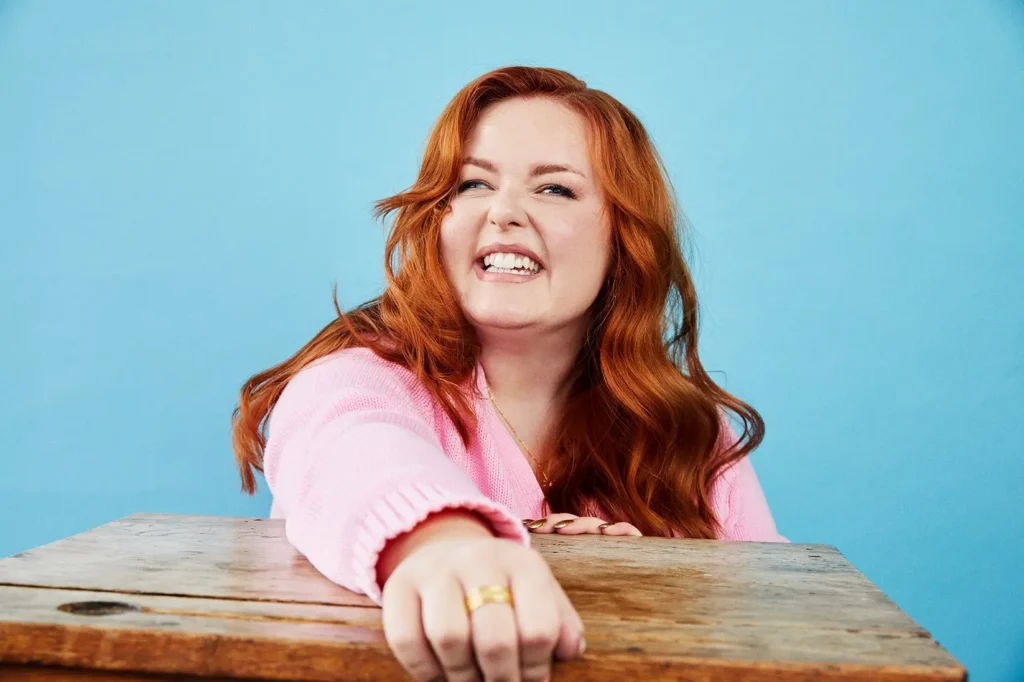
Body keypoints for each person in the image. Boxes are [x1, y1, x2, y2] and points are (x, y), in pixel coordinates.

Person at [231, 65, 786, 682]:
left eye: (555, 190)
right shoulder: (356, 379)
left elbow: (770, 613)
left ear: (624, 238)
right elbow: (351, 451)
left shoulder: (690, 430)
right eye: (472, 184)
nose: (503, 213)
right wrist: (444, 543)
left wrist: (641, 583)